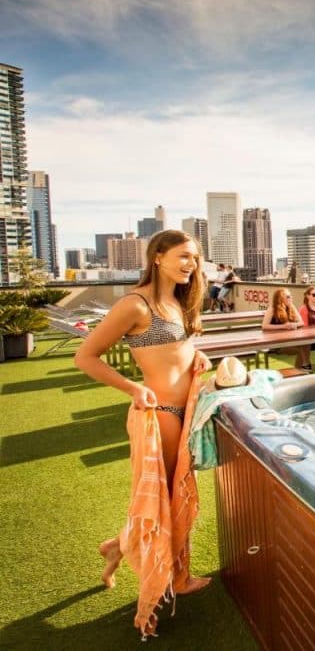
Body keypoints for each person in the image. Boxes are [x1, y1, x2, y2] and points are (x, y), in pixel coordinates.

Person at [73, 230, 212, 638]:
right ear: (158, 257)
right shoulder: (136, 304)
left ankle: (119, 546)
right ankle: (172, 576)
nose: (192, 264)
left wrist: (195, 356)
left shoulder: (177, 302)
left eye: (196, 258)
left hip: (183, 411)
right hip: (160, 414)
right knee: (165, 503)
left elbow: (175, 354)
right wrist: (133, 388)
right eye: (184, 256)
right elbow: (86, 356)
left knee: (172, 498)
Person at [262, 288, 310, 369]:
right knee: (302, 351)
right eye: (288, 296)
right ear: (280, 298)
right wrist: (283, 326)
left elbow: (301, 322)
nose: (291, 297)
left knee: (306, 344)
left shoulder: (292, 307)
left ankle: (301, 370)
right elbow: (264, 326)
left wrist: (293, 324)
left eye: (291, 295)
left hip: (291, 339)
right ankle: (300, 371)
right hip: (277, 343)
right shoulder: (273, 308)